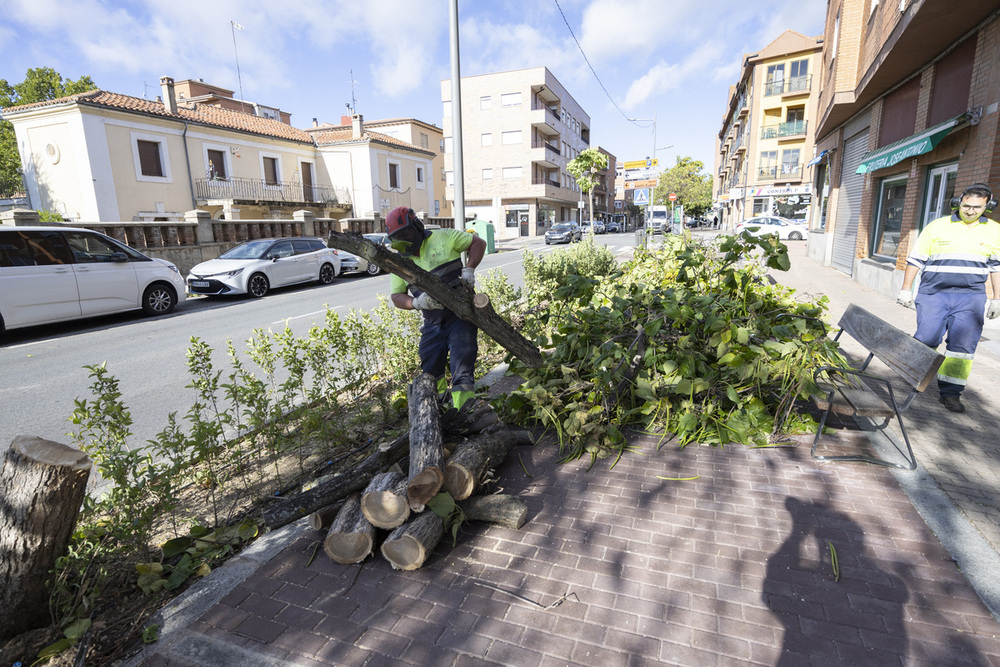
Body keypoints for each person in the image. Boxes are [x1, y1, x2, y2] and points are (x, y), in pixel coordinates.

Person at [897, 183, 1000, 413]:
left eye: (977, 207)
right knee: (927, 338)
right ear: (958, 202)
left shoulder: (995, 231)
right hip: (934, 293)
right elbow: (916, 260)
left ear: (988, 206)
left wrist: (997, 298)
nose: (970, 211)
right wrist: (905, 288)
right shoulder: (937, 227)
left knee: (962, 348)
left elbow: (996, 267)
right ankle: (911, 379)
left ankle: (951, 394)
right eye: (966, 205)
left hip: (970, 297)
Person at [386, 206, 487, 412]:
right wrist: (416, 303)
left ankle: (463, 413)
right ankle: (437, 412)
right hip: (432, 323)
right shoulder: (399, 262)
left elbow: (478, 243)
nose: (403, 240)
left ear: (416, 226)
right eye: (398, 237)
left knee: (462, 368)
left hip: (460, 317)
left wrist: (469, 269)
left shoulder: (444, 237)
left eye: (405, 233)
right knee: (430, 369)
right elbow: (396, 296)